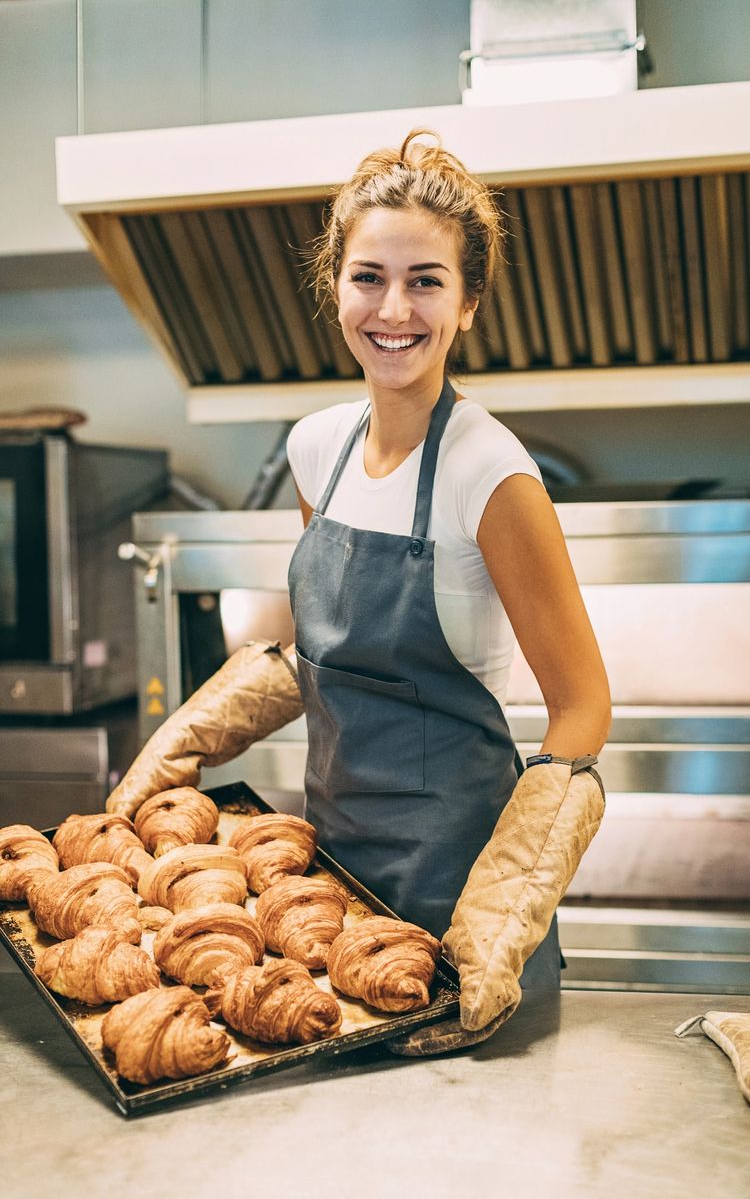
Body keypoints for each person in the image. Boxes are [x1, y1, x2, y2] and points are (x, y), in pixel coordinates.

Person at [106, 129, 611, 1054]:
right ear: (333, 285)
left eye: (426, 281)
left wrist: (500, 921)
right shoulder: (316, 450)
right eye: (369, 276)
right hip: (327, 892)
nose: (394, 309)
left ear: (468, 304)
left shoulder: (491, 473)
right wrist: (192, 734)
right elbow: (325, 654)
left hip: (460, 917)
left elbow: (584, 708)